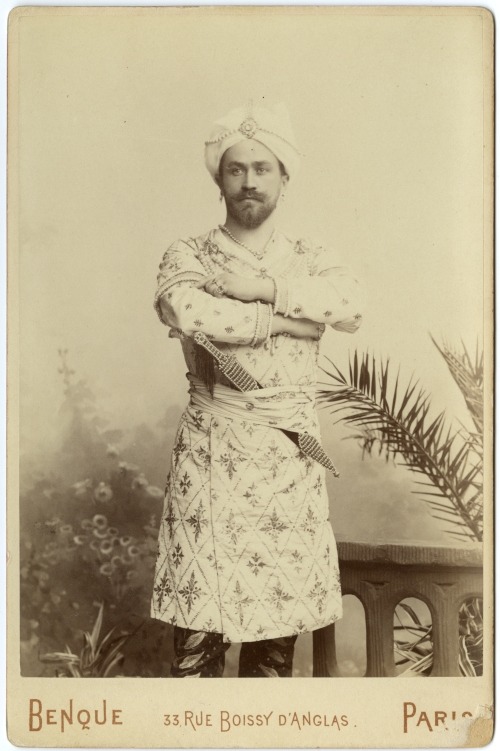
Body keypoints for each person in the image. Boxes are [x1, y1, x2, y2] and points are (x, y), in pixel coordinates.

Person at [150, 102, 364, 678]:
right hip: (211, 453)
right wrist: (286, 321)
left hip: (286, 461)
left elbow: (349, 305)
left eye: (262, 168)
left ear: (284, 178)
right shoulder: (187, 253)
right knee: (197, 648)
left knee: (272, 653)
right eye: (237, 169)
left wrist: (260, 289)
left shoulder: (312, 256)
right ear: (219, 180)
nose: (249, 181)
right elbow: (188, 310)